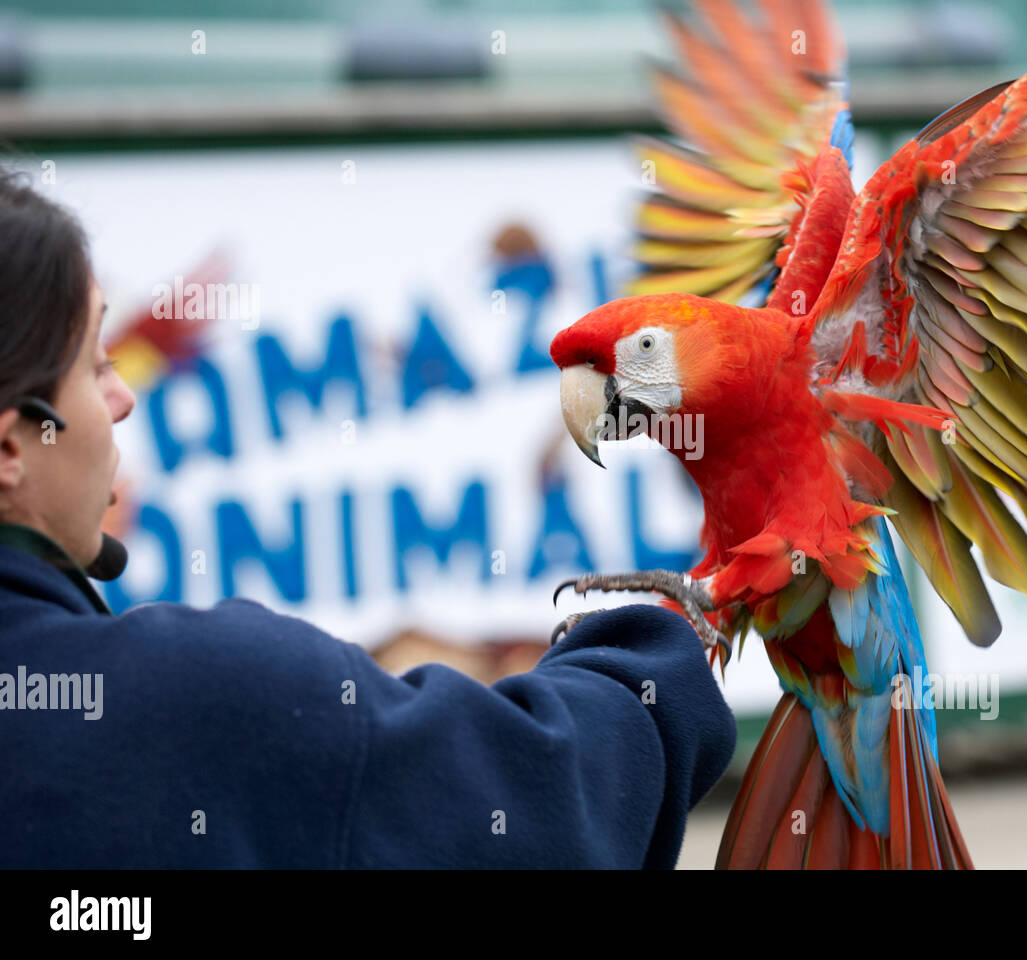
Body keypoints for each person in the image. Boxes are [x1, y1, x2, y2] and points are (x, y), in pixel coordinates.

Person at [0, 169, 736, 868]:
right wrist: (669, 642)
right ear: (10, 446)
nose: (124, 400)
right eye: (98, 364)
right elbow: (550, 801)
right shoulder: (205, 695)